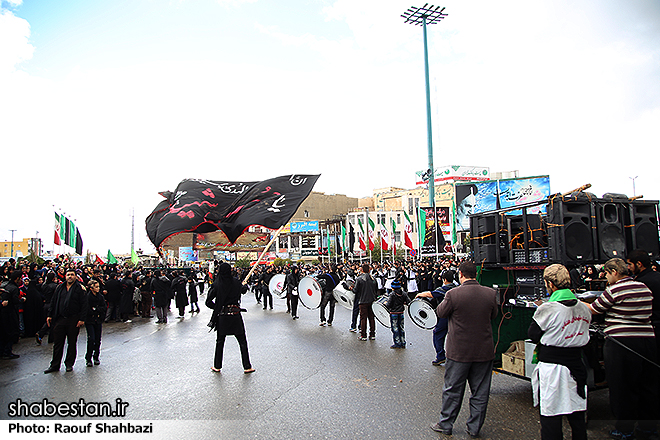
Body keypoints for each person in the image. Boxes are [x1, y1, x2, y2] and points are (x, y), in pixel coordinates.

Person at [586, 258, 658, 440]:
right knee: (647, 386)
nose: (606, 278)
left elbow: (595, 309)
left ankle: (625, 429)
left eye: (607, 274)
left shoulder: (615, 289)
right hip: (647, 341)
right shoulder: (643, 287)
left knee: (622, 387)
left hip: (621, 343)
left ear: (614, 272)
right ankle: (647, 428)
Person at [431, 261, 497, 438]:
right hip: (483, 350)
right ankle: (474, 427)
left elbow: (440, 312)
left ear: (460, 274)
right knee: (480, 392)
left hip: (459, 351)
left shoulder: (453, 294)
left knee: (452, 389)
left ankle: (446, 424)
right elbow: (494, 315)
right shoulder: (490, 293)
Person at [528, 264, 590, 440]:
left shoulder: (549, 308)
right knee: (577, 416)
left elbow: (533, 334)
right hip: (577, 365)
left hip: (553, 368)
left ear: (550, 284)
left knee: (551, 416)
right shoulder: (584, 308)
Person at [205, 263, 254, 374]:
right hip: (235, 315)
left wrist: (218, 308)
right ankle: (247, 366)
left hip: (222, 317)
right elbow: (243, 290)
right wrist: (244, 285)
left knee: (220, 342)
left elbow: (208, 302)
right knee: (242, 342)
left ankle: (217, 366)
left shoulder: (217, 284)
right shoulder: (236, 283)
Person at [44, 268, 88, 373]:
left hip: (73, 319)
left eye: (72, 275)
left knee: (71, 343)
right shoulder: (60, 287)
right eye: (68, 274)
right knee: (58, 343)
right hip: (60, 319)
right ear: (65, 276)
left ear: (75, 276)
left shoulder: (80, 288)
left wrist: (82, 319)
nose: (70, 276)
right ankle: (55, 365)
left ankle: (69, 364)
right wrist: (50, 315)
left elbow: (84, 305)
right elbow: (54, 301)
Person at [417, 270, 456, 365]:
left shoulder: (444, 289)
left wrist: (419, 294)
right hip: (457, 316)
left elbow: (431, 294)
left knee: (438, 334)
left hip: (445, 316)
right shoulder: (456, 287)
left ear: (444, 279)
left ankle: (440, 356)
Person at [84, 279, 106, 367]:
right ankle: (88, 358)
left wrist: (96, 309)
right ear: (91, 288)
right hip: (90, 320)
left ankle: (96, 356)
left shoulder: (100, 297)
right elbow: (87, 309)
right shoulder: (87, 297)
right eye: (96, 287)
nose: (98, 288)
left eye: (98, 287)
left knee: (98, 340)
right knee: (91, 339)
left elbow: (103, 307)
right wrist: (94, 310)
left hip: (98, 319)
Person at [352, 263, 377, 341]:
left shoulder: (359, 279)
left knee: (363, 318)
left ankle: (363, 335)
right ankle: (372, 334)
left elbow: (355, 290)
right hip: (372, 300)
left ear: (362, 270)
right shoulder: (373, 279)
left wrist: (351, 288)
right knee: (371, 318)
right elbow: (376, 290)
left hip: (363, 300)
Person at [0, 271, 22, 359]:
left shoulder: (6, 286)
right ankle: (7, 351)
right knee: (11, 332)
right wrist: (22, 300)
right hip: (10, 313)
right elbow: (15, 300)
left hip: (4, 313)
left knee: (5, 333)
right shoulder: (14, 288)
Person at [385, 280, 409, 348]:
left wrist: (385, 303)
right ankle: (403, 342)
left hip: (394, 312)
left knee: (395, 328)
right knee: (401, 327)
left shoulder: (392, 294)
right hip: (401, 312)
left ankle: (397, 343)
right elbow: (408, 301)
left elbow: (389, 304)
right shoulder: (404, 293)